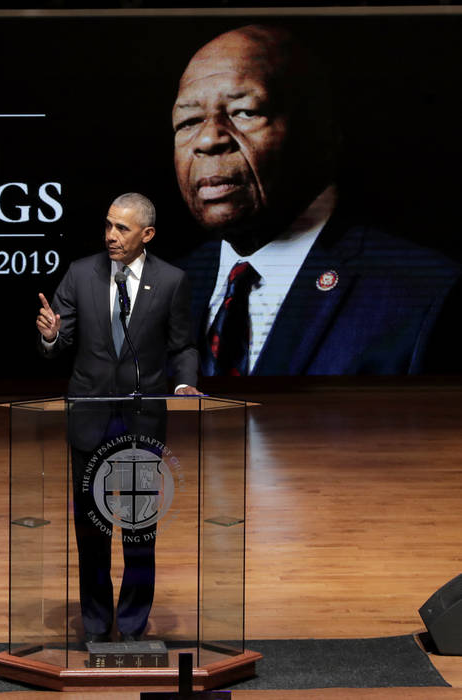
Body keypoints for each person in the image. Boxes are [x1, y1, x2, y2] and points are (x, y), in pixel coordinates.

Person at [173, 24, 460, 376]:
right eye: (188, 121)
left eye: (245, 112)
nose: (208, 139)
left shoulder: (424, 294)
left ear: (320, 133)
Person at [36, 192, 199, 643]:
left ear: (146, 234)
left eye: (122, 229)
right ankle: (94, 623)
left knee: (138, 530)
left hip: (140, 420)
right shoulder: (81, 274)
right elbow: (60, 336)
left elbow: (182, 343)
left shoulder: (171, 280)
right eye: (108, 225)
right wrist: (52, 336)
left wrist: (184, 383)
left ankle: (131, 624)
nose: (111, 236)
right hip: (90, 417)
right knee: (91, 531)